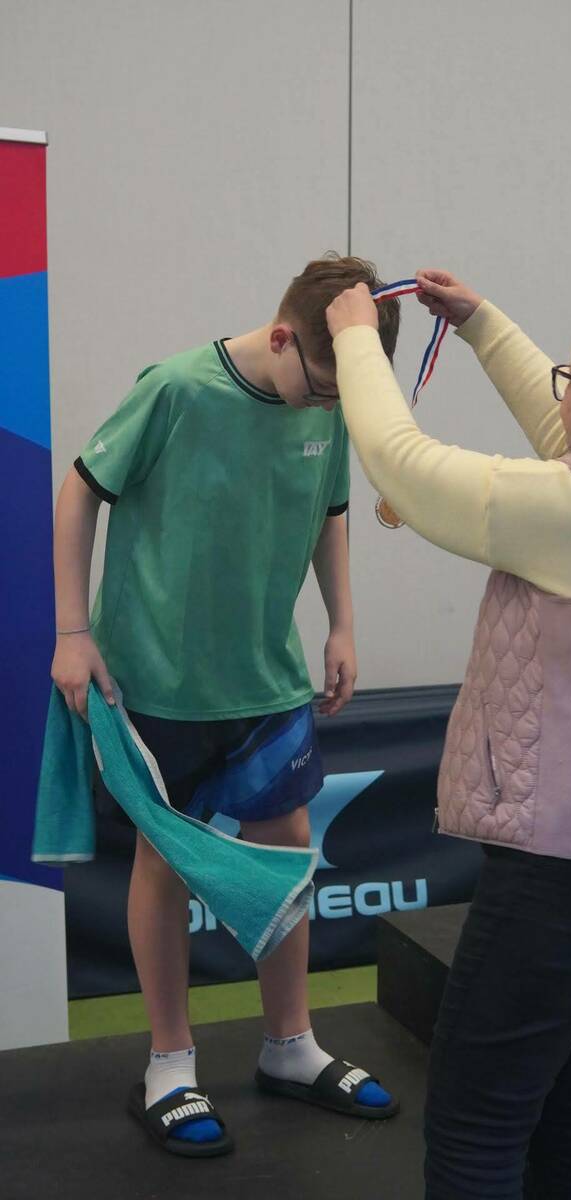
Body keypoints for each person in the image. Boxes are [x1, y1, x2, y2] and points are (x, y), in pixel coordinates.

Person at [326, 269, 571, 1199]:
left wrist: (356, 335)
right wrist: (481, 325)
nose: (561, 397)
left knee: (475, 1127)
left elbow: (402, 463)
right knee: (567, 1100)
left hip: (564, 878)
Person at [50, 254, 400, 1157]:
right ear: (282, 337)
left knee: (285, 850)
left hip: (266, 679)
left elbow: (330, 513)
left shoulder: (328, 404)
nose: (324, 406)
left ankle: (290, 1044)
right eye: (319, 386)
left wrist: (342, 624)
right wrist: (72, 631)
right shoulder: (174, 390)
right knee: (165, 863)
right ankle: (170, 1063)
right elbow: (80, 489)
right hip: (158, 683)